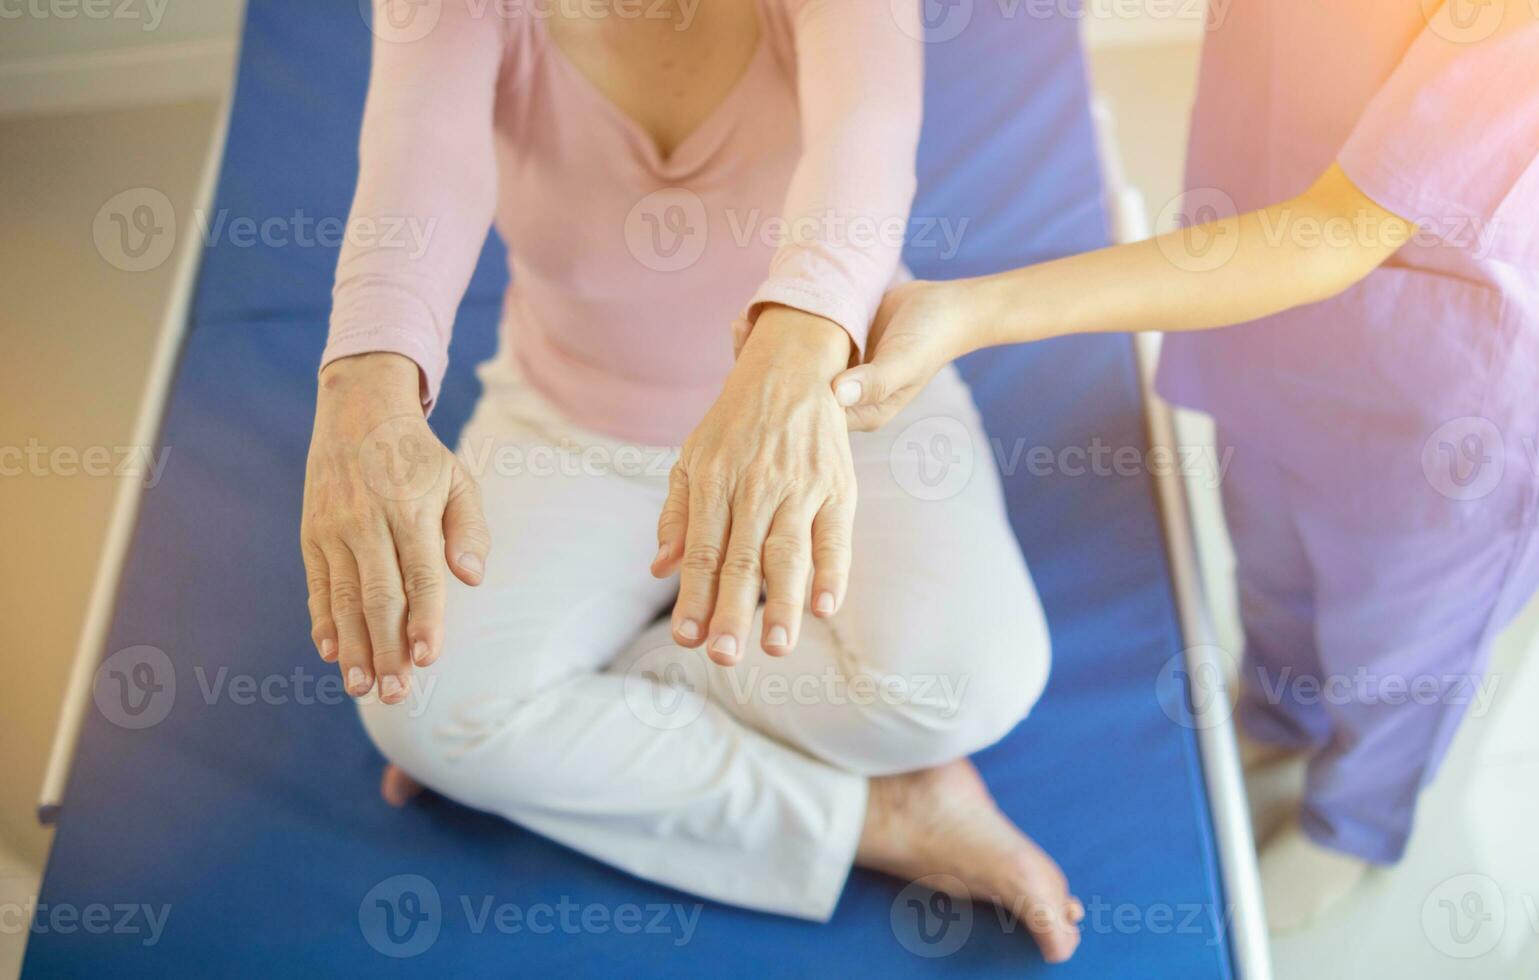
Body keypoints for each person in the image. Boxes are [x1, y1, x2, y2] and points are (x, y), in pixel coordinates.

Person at [714, 0, 1539, 931]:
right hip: (1261, 268)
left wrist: (972, 310)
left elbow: (1342, 228)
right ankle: (1276, 703)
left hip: (1455, 384)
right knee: (1267, 547)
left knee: (1396, 650)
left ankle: (1350, 820)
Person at [299, 0, 1081, 961]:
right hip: (576, 430)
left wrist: (792, 361)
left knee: (970, 683)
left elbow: (866, 140)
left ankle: (581, 693)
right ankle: (883, 814)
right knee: (415, 707)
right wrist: (362, 388)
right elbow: (415, 171)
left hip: (842, 398)